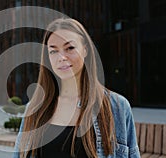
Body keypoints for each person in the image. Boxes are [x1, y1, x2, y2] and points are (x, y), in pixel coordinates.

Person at [13, 18, 140, 158]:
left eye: (70, 48)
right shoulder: (35, 108)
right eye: (53, 51)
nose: (61, 57)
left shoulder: (117, 106)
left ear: (85, 50)